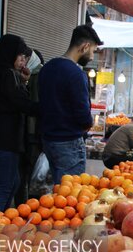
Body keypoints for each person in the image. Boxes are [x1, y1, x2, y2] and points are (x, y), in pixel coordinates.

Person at [0, 34, 39, 212]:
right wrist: (47, 107)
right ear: (9, 54)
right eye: (20, 57)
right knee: (5, 187)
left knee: (13, 183)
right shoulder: (6, 76)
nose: (23, 62)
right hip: (4, 140)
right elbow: (21, 103)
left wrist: (23, 81)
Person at [39, 25, 103, 184]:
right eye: (93, 51)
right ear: (85, 46)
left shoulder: (47, 68)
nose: (92, 57)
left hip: (48, 140)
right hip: (69, 142)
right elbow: (82, 112)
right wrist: (88, 123)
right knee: (70, 195)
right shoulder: (76, 73)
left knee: (58, 192)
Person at [14, 49, 44, 204]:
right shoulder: (22, 77)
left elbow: (34, 105)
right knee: (29, 172)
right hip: (28, 133)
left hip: (30, 131)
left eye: (26, 59)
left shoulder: (37, 77)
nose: (23, 63)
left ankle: (26, 206)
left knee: (28, 172)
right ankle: (28, 205)